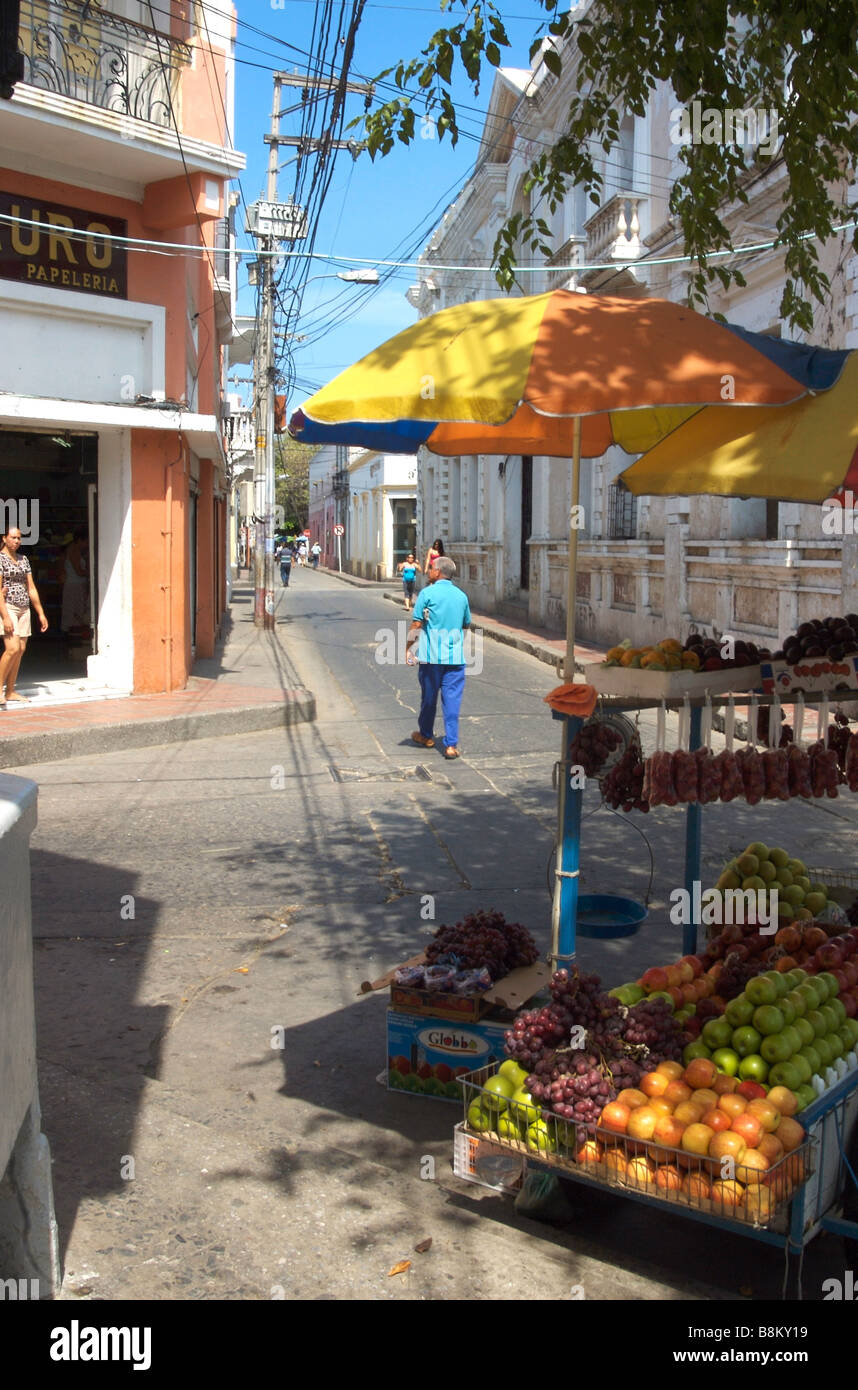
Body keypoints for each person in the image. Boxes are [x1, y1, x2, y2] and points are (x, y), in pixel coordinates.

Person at [406, 555, 471, 760]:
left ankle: (426, 735)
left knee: (429, 698)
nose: (429, 571)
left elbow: (416, 624)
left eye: (432, 568)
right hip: (455, 659)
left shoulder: (427, 593)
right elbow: (466, 624)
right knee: (452, 701)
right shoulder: (461, 596)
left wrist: (409, 648)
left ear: (438, 572)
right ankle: (451, 745)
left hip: (431, 658)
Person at [0, 525, 48, 705]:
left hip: (24, 608)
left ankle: (11, 691)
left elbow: (31, 588)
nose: (16, 541)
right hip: (8, 607)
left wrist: (40, 613)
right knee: (12, 648)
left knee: (20, 650)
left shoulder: (23, 559)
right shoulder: (0, 559)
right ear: (4, 538)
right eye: (13, 537)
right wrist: (5, 616)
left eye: (19, 538)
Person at [60, 528, 89, 634]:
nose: (87, 544)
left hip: (76, 584)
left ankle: (72, 634)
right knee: (74, 611)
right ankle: (71, 635)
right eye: (86, 541)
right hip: (74, 585)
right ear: (80, 540)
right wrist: (91, 573)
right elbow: (79, 571)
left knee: (75, 611)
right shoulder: (73, 550)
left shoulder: (75, 550)